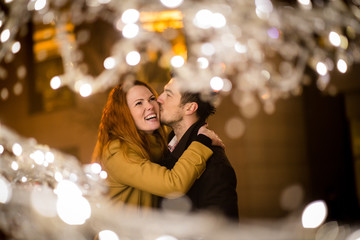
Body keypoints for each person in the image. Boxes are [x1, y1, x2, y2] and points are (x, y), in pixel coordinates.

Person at [92, 79, 222, 212]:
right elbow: (173, 185)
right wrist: (202, 141)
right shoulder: (118, 151)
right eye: (139, 103)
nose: (150, 105)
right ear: (124, 115)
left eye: (151, 98)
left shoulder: (160, 145)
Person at [157, 77, 239, 220]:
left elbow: (221, 229)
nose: (159, 99)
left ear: (190, 108)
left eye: (168, 95)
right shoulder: (162, 147)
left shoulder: (215, 164)